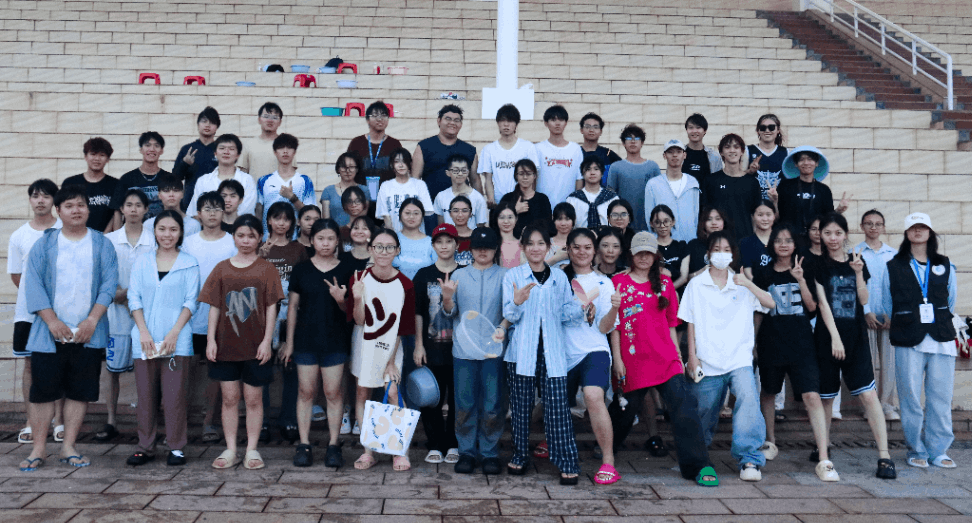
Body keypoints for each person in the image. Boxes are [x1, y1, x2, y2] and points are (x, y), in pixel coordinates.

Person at [18, 185, 118, 472]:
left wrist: (92, 320)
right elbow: (33, 285)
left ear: (88, 209)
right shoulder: (44, 245)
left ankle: (69, 447)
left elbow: (109, 285)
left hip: (88, 333)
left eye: (81, 205)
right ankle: (38, 449)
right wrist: (51, 321)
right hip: (49, 333)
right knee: (42, 392)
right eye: (70, 206)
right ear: (58, 211)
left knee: (79, 392)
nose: (77, 210)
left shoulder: (102, 244)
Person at [609, 232, 718, 487]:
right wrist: (617, 359)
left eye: (649, 253)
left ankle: (699, 464)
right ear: (631, 255)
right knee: (625, 411)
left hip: (665, 359)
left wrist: (677, 355)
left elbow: (671, 323)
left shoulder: (665, 283)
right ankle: (606, 451)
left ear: (656, 255)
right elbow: (614, 325)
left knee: (684, 406)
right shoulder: (618, 282)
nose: (644, 257)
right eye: (639, 253)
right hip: (633, 360)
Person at [678, 231, 775, 482]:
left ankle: (749, 459)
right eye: (716, 249)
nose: (721, 254)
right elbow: (690, 321)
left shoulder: (741, 282)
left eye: (726, 250)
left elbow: (770, 303)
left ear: (733, 254)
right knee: (704, 410)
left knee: (748, 400)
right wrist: (692, 356)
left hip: (739, 358)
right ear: (708, 254)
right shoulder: (697, 284)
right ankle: (698, 457)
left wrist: (748, 283)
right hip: (707, 359)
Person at [812, 212, 896, 479]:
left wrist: (859, 273)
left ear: (846, 235)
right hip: (828, 340)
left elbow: (863, 299)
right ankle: (823, 447)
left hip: (856, 339)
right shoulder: (818, 264)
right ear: (821, 235)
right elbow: (822, 304)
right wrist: (835, 338)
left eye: (838, 233)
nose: (833, 238)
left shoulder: (856, 260)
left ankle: (885, 456)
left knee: (868, 396)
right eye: (827, 233)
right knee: (826, 398)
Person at [875, 212, 960, 470]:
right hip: (908, 338)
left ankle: (939, 449)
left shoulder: (944, 264)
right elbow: (886, 302)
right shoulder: (894, 265)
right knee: (910, 396)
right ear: (907, 233)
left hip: (941, 337)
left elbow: (951, 300)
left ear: (930, 232)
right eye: (913, 227)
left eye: (923, 227)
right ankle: (916, 448)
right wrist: (905, 319)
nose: (918, 231)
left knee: (940, 397)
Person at [753, 224, 837, 481]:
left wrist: (800, 279)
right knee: (769, 391)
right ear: (772, 244)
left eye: (788, 240)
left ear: (794, 244)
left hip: (802, 343)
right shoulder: (763, 273)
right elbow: (758, 311)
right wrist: (753, 343)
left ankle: (824, 455)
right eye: (778, 240)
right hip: (771, 341)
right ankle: (770, 441)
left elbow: (812, 307)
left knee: (811, 394)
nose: (783, 244)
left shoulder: (806, 269)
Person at [199, 215, 284, 471]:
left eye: (251, 236)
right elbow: (214, 306)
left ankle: (252, 449)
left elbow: (272, 307)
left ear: (260, 238)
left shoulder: (267, 269)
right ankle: (231, 448)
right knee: (229, 399)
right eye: (241, 235)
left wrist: (267, 341)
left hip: (256, 346)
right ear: (233, 237)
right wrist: (210, 339)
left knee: (254, 399)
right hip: (226, 345)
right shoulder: (222, 268)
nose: (246, 241)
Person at [503, 225, 585, 484]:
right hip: (522, 352)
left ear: (549, 247)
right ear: (523, 248)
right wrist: (517, 301)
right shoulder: (513, 276)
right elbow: (509, 315)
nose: (536, 248)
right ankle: (520, 456)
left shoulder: (559, 277)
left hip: (553, 352)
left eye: (541, 243)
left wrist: (582, 307)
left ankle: (566, 461)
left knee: (557, 409)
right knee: (521, 408)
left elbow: (566, 314)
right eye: (530, 244)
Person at [126, 210, 200, 467]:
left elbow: (191, 301)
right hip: (144, 339)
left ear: (181, 233)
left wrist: (174, 332)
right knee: (145, 397)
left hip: (176, 340)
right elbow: (133, 298)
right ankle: (145, 447)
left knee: (174, 397)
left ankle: (176, 447)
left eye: (173, 229)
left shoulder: (189, 263)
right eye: (162, 229)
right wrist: (143, 331)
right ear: (154, 231)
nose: (167, 234)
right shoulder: (142, 262)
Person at [282, 218, 354, 468]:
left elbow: (352, 311)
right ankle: (304, 444)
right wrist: (289, 342)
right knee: (306, 392)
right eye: (320, 238)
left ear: (337, 242)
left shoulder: (346, 269)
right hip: (305, 340)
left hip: (335, 340)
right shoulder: (301, 270)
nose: (325, 243)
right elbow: (292, 307)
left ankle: (334, 444)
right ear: (312, 241)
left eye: (330, 239)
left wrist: (341, 300)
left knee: (333, 392)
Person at [348, 228, 416, 471]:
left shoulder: (405, 284)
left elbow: (403, 327)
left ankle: (399, 451)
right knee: (362, 393)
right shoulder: (359, 277)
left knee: (394, 393)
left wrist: (390, 361)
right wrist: (357, 298)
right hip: (363, 343)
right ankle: (368, 451)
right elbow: (359, 320)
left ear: (397, 251)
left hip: (392, 347)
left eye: (389, 247)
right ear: (370, 249)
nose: (384, 252)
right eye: (378, 246)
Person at [443, 227, 509, 474]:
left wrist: (503, 327)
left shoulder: (505, 275)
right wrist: (447, 298)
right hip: (464, 351)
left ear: (495, 249)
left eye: (488, 247)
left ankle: (490, 452)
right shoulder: (459, 275)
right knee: (464, 403)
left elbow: (511, 310)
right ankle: (467, 452)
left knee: (492, 404)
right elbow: (450, 312)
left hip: (494, 351)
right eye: (478, 247)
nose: (483, 251)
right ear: (470, 249)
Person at [563, 228, 621, 485]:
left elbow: (605, 328)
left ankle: (608, 461)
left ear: (594, 251)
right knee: (555, 403)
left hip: (594, 351)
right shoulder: (558, 278)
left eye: (587, 247)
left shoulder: (604, 283)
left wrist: (613, 309)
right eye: (576, 247)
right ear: (568, 249)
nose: (582, 252)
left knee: (593, 396)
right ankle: (553, 441)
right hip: (563, 353)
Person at [97, 189, 154, 444]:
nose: (133, 209)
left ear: (146, 210)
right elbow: (101, 275)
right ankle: (111, 420)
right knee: (112, 371)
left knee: (148, 371)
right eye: (128, 204)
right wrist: (115, 293)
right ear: (121, 209)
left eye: (138, 205)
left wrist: (131, 294)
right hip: (116, 315)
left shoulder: (155, 240)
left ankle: (148, 422)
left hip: (146, 317)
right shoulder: (109, 240)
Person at [8, 179, 62, 446]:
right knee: (29, 365)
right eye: (36, 196)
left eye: (46, 196)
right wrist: (38, 299)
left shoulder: (65, 230)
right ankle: (31, 421)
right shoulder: (19, 235)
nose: (41, 200)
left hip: (62, 312)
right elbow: (17, 276)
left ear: (54, 200)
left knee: (62, 363)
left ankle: (59, 422)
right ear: (30, 200)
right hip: (27, 313)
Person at [182, 191, 238, 443]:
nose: (212, 213)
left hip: (223, 320)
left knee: (217, 374)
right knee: (186, 372)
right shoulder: (189, 242)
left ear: (223, 212)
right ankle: (180, 423)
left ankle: (209, 422)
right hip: (191, 318)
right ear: (198, 213)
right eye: (207, 208)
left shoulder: (232, 242)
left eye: (217, 208)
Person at [257, 201, 309, 442]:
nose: (281, 223)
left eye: (286, 219)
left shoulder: (298, 249)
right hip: (262, 318)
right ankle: (262, 422)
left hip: (290, 317)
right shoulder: (260, 246)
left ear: (292, 223)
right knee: (262, 371)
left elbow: (303, 285)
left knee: (291, 371)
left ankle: (289, 419)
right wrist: (260, 257)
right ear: (268, 220)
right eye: (276, 218)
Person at [412, 224, 461, 465]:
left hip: (460, 349)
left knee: (457, 399)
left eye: (448, 241)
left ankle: (453, 443)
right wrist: (418, 345)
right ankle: (434, 444)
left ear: (457, 245)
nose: (444, 246)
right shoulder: (423, 275)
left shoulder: (465, 273)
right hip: (432, 347)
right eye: (439, 242)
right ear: (433, 246)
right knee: (432, 398)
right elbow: (418, 312)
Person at [856, 209, 900, 420]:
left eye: (877, 223)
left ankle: (887, 405)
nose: (873, 227)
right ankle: (869, 407)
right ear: (861, 226)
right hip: (865, 315)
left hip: (889, 317)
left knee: (890, 364)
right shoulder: (856, 253)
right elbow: (856, 285)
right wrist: (865, 311)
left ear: (883, 227)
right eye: (869, 223)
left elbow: (898, 287)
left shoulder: (894, 254)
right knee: (867, 364)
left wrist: (892, 314)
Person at [413, 104, 479, 231]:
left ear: (461, 124)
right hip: (430, 209)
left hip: (462, 210)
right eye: (448, 119)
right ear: (439, 121)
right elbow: (415, 178)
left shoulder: (469, 150)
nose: (452, 123)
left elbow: (475, 179)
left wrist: (478, 206)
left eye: (456, 120)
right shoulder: (424, 146)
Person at [769, 146, 849, 236]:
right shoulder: (785, 186)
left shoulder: (824, 190)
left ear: (817, 163)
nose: (806, 163)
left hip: (815, 239)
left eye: (810, 159)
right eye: (801, 159)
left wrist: (839, 210)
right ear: (796, 164)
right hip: (790, 238)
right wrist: (774, 201)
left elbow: (828, 219)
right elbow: (776, 218)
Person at [255, 133, 316, 239]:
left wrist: (292, 198)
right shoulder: (263, 181)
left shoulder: (305, 181)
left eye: (289, 147)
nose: (285, 151)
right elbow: (258, 212)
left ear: (294, 152)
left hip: (296, 239)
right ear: (275, 152)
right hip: (268, 239)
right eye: (281, 147)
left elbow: (310, 214)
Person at [701, 133, 760, 240]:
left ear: (742, 151)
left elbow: (755, 216)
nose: (732, 150)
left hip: (745, 240)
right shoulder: (711, 181)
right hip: (718, 241)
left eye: (736, 147)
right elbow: (705, 214)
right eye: (727, 147)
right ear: (721, 152)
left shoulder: (752, 182)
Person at [479, 104, 540, 206]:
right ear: (498, 123)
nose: (506, 124)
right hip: (499, 205)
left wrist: (528, 201)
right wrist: (491, 199)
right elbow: (488, 179)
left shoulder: (528, 147)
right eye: (503, 120)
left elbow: (533, 178)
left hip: (523, 203)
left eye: (510, 121)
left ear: (516, 124)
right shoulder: (488, 149)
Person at [186, 134, 258, 219]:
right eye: (222, 148)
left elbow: (247, 210)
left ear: (238, 155)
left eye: (231, 149)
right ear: (215, 153)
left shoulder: (247, 180)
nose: (226, 152)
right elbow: (194, 211)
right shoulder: (203, 180)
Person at [108, 131, 168, 230]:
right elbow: (117, 211)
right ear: (141, 149)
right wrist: (118, 236)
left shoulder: (168, 178)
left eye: (156, 146)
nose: (152, 149)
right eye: (147, 145)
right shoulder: (127, 179)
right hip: (133, 233)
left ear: (161, 150)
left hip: (162, 233)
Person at [606, 124, 659, 232]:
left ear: (642, 143)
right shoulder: (616, 167)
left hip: (648, 224)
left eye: (637, 138)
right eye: (629, 138)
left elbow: (659, 196)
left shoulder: (652, 167)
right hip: (623, 226)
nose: (633, 141)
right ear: (623, 143)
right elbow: (610, 198)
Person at [644, 139, 700, 242]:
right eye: (670, 152)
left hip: (689, 242)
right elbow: (649, 217)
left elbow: (695, 215)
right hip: (664, 243)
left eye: (678, 152)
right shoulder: (653, 184)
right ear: (664, 155)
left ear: (684, 155)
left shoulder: (692, 182)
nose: (675, 155)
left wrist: (693, 237)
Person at [62, 137, 118, 233]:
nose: (97, 159)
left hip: (106, 237)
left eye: (102, 155)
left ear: (108, 159)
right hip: (76, 236)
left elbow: (116, 215)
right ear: (85, 156)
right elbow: (65, 211)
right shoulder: (70, 183)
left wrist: (103, 237)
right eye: (93, 154)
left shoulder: (116, 184)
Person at [534, 105, 584, 205]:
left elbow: (579, 179)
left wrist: (576, 203)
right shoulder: (537, 149)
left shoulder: (575, 149)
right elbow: (532, 179)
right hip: (542, 206)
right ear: (546, 123)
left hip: (568, 206)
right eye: (553, 120)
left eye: (561, 120)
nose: (557, 123)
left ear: (566, 123)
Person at [173, 106, 220, 210]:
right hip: (190, 203)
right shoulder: (187, 149)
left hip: (216, 205)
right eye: (204, 121)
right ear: (198, 124)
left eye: (212, 122)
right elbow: (175, 178)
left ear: (217, 127)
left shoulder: (221, 150)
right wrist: (185, 164)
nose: (207, 125)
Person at [377, 148, 435, 233]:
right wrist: (393, 236)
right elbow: (385, 215)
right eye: (397, 161)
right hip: (394, 235)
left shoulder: (420, 184)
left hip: (416, 235)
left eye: (404, 161)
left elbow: (425, 211)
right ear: (391, 165)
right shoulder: (385, 186)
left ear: (410, 164)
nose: (401, 165)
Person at [347, 101, 403, 184]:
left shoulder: (395, 144)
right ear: (367, 120)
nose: (380, 119)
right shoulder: (356, 143)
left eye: (383, 115)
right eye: (375, 115)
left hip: (387, 191)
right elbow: (348, 170)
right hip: (361, 191)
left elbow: (401, 171)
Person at [499, 159, 552, 238]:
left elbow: (549, 227)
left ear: (534, 176)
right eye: (521, 174)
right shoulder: (507, 198)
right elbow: (498, 225)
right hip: (512, 241)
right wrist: (514, 211)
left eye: (528, 174)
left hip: (536, 242)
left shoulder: (542, 199)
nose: (525, 177)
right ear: (516, 176)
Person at [434, 154, 488, 228]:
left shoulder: (478, 198)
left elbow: (480, 226)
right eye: (456, 170)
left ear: (468, 172)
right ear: (448, 173)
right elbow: (441, 226)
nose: (460, 174)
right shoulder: (441, 196)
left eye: (463, 170)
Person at [567, 157, 619, 229]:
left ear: (602, 173)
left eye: (596, 169)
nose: (592, 173)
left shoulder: (612, 198)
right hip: (580, 235)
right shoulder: (573, 199)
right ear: (582, 174)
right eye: (588, 169)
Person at [392, 198, 437, 280]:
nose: (411, 217)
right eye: (407, 213)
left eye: (416, 213)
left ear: (422, 217)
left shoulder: (431, 243)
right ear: (400, 216)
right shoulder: (392, 240)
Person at [746, 114, 788, 199]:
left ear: (778, 130)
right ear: (758, 131)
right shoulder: (747, 150)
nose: (767, 130)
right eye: (763, 127)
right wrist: (750, 171)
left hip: (778, 204)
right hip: (753, 203)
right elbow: (737, 176)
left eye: (771, 127)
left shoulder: (786, 152)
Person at [321, 153, 369, 227]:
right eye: (344, 167)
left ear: (357, 169)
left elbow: (363, 216)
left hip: (356, 231)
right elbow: (326, 220)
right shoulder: (328, 191)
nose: (347, 171)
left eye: (351, 167)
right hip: (334, 232)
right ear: (338, 169)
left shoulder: (364, 190)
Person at [239, 102, 284, 180]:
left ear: (280, 122)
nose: (270, 120)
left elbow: (291, 174)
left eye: (275, 117)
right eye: (266, 116)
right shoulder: (248, 145)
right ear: (259, 120)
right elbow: (242, 174)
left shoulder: (286, 145)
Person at [650, 205, 690, 292]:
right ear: (651, 224)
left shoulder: (682, 246)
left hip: (677, 293)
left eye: (666, 221)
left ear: (673, 222)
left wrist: (667, 291)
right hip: (653, 293)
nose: (662, 226)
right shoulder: (649, 248)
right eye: (657, 222)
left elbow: (684, 277)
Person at [686, 206, 732, 279]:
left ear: (724, 222)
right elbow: (687, 277)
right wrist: (704, 270)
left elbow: (737, 274)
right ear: (703, 223)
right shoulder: (693, 245)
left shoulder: (731, 244)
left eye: (718, 219)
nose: (714, 223)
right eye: (709, 219)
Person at [682, 113, 723, 186]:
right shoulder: (679, 154)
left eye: (698, 127)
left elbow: (718, 183)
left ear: (704, 130)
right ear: (686, 130)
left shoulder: (714, 157)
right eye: (691, 127)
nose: (694, 131)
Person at [740, 199, 777, 279]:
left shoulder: (781, 240)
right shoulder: (746, 243)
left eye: (768, 215)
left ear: (774, 216)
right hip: (755, 285)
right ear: (753, 216)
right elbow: (747, 272)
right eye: (760, 215)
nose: (765, 219)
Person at [579, 112, 623, 179]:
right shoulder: (574, 153)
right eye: (587, 127)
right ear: (581, 130)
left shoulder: (609, 154)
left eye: (595, 127)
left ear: (601, 131)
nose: (591, 130)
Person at [491, 201, 523, 268]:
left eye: (510, 217)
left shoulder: (522, 245)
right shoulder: (491, 244)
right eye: (502, 217)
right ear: (496, 219)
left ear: (516, 219)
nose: (506, 221)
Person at [449, 196, 476, 266]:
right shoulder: (446, 236)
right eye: (455, 211)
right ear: (450, 214)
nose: (460, 215)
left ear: (470, 213)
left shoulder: (477, 236)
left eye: (464, 211)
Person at [547, 203, 574, 269]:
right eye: (559, 219)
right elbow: (538, 268)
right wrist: (558, 257)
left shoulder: (579, 243)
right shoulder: (546, 242)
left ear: (573, 220)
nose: (563, 223)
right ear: (553, 220)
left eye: (567, 219)